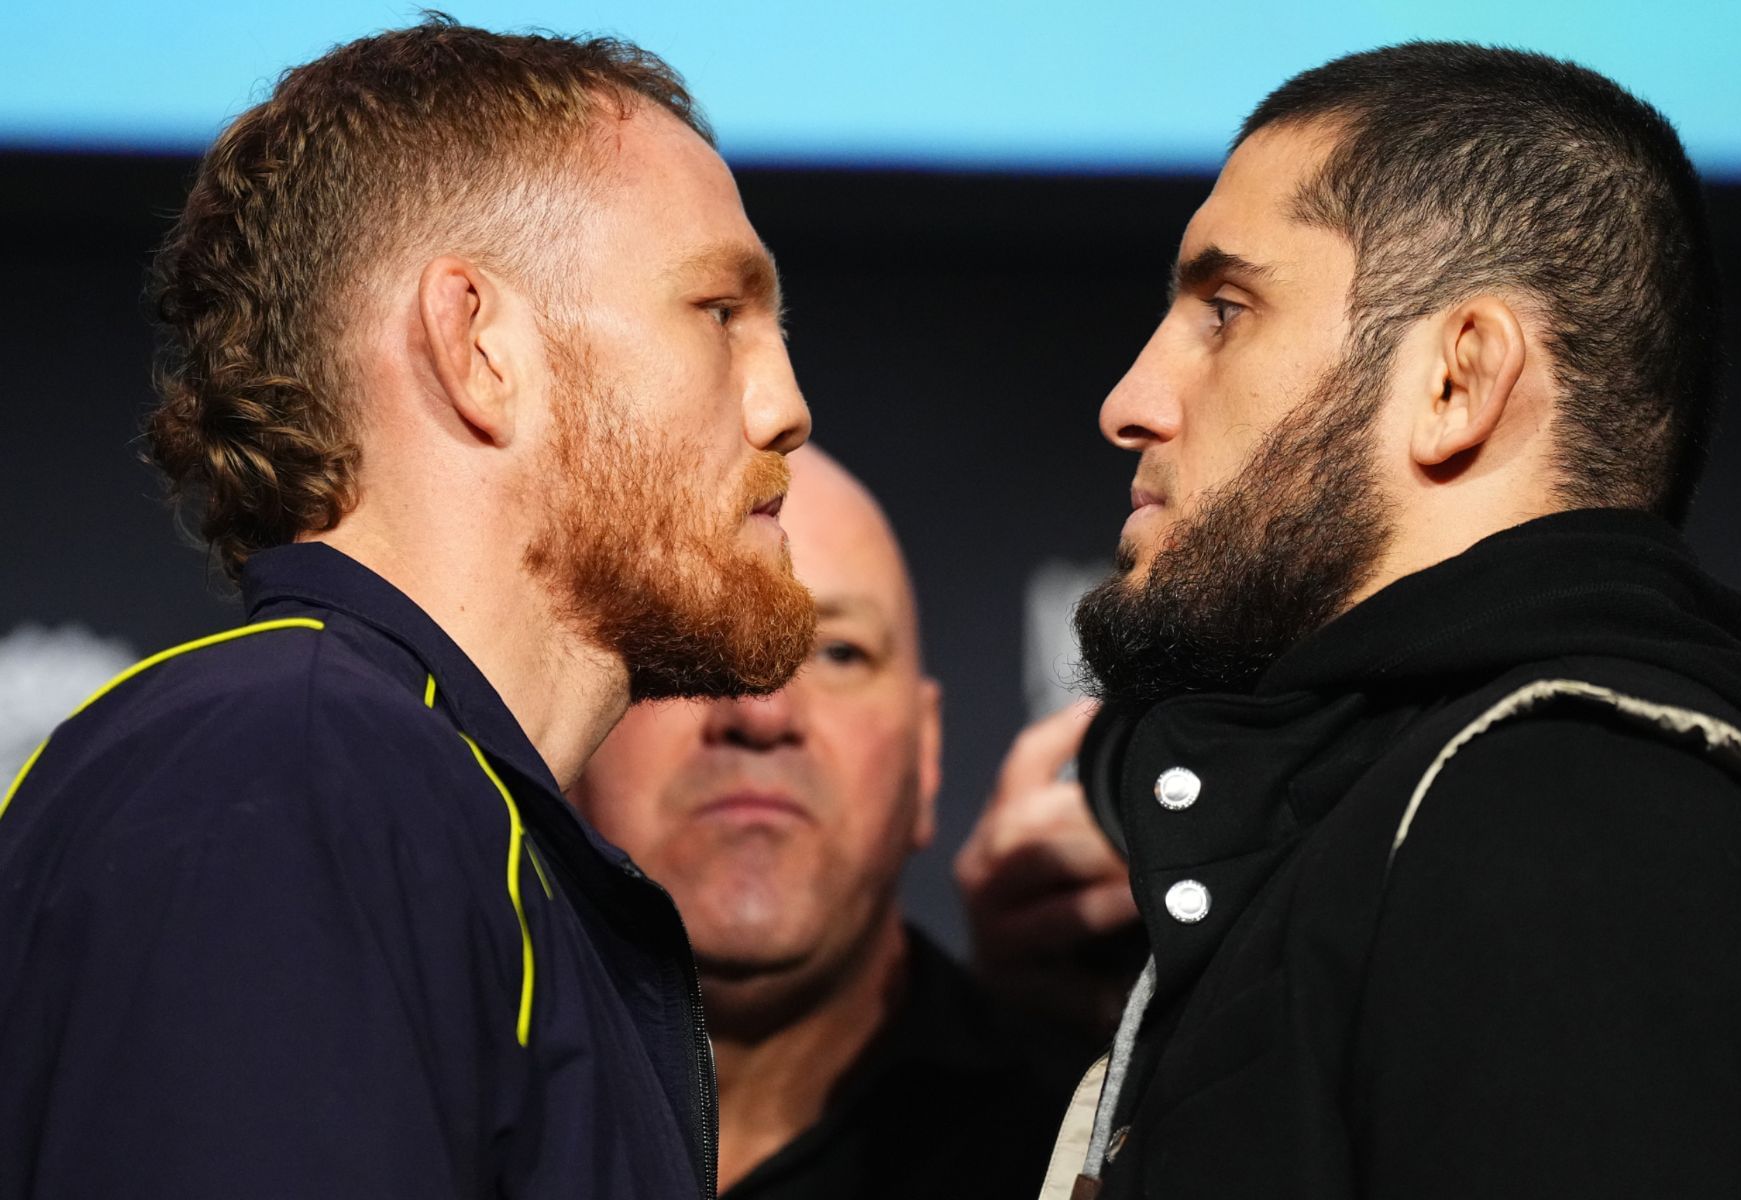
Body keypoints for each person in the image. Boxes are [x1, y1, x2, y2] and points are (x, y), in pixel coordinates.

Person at [1027, 42, 1741, 1199]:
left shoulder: (1575, 819)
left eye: (1225, 309)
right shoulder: (1443, 811)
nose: (1129, 401)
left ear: (1458, 382)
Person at [0, 18, 813, 1199]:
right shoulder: (294, 770)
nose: (784, 403)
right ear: (478, 345)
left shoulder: (405, 793)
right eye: (720, 311)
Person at [573, 445, 1082, 1200]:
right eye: (690, 643)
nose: (762, 710)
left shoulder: (1091, 1147)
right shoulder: (421, 1090)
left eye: (839, 652)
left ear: (929, 753)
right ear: (574, 717)